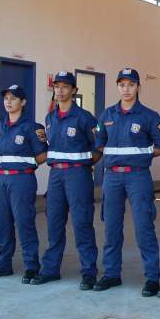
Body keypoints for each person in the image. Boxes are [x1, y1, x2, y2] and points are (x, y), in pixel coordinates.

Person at [93, 68, 160, 296]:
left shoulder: (149, 116)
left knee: (144, 226)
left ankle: (152, 278)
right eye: (122, 84)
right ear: (118, 87)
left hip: (138, 176)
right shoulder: (107, 115)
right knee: (111, 227)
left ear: (138, 87)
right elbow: (99, 143)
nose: (126, 89)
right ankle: (111, 274)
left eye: (130, 84)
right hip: (112, 177)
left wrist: (140, 155)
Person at [36, 71, 101, 288]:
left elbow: (98, 148)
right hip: (56, 176)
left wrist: (84, 165)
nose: (60, 90)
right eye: (57, 86)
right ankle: (51, 269)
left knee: (82, 223)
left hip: (78, 176)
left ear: (74, 90)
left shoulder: (85, 118)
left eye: (65, 86)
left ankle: (89, 272)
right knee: (54, 222)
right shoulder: (50, 118)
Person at [0, 85, 47, 283]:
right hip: (0, 180)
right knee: (1, 222)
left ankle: (31, 266)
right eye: (6, 98)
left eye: (13, 98)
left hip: (21, 180)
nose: (8, 102)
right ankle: (2, 265)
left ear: (23, 102)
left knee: (24, 222)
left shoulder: (32, 128)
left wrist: (23, 166)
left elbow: (43, 155)